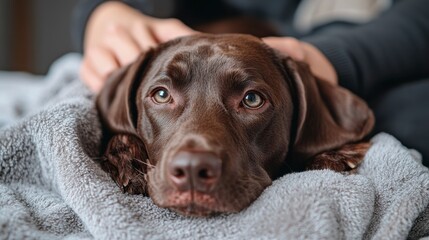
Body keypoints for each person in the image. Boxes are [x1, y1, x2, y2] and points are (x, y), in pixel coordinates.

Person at [72, 0, 429, 165]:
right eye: (163, 95)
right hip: (197, 38)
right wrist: (102, 12)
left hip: (379, 50)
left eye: (252, 100)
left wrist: (336, 58)